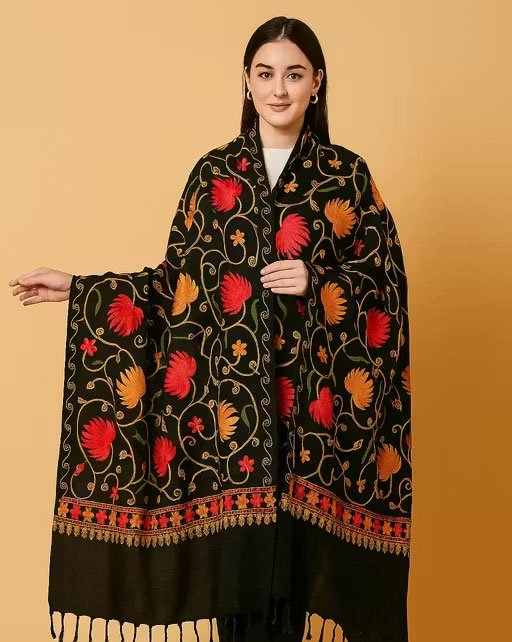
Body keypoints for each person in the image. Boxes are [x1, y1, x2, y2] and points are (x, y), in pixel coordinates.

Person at [8, 15, 412, 642]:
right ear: (247, 81)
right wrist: (82, 288)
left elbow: (385, 288)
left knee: (290, 608)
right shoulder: (214, 175)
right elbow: (177, 286)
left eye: (294, 75)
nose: (279, 89)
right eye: (266, 74)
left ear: (317, 82)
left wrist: (320, 282)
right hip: (232, 435)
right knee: (238, 613)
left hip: (312, 435)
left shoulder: (347, 177)